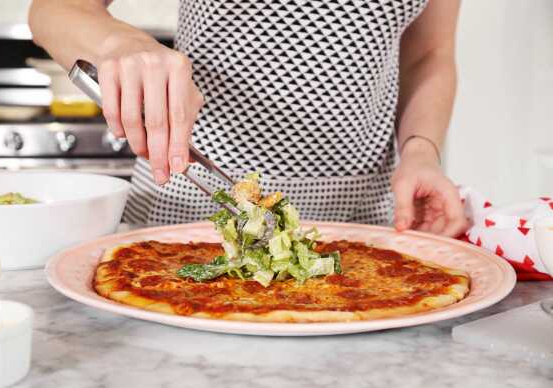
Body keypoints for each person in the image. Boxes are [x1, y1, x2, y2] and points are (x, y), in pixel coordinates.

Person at [29, 0, 467, 237]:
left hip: (364, 212)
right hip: (192, 201)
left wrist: (421, 151)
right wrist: (119, 44)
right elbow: (53, 9)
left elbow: (429, 54)